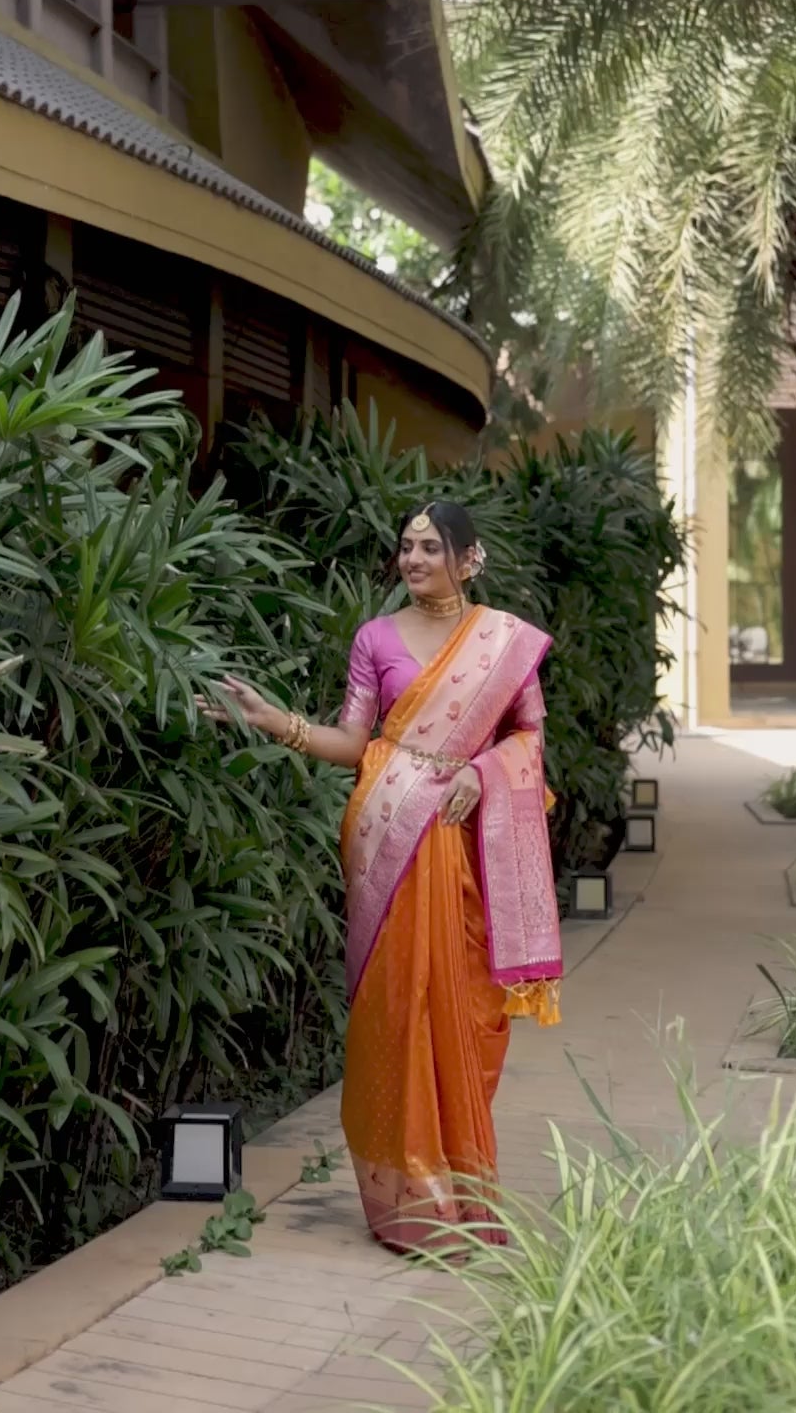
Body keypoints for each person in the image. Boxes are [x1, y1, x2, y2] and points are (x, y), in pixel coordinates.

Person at [200, 500, 561, 1253]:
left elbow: (528, 737)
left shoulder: (504, 642)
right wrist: (275, 723)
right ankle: (408, 1202)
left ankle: (460, 1186)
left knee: (460, 1011)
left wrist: (484, 771)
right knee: (397, 1012)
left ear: (470, 558)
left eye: (431, 547)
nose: (414, 560)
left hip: (460, 850)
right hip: (386, 836)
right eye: (406, 547)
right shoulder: (375, 639)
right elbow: (353, 738)